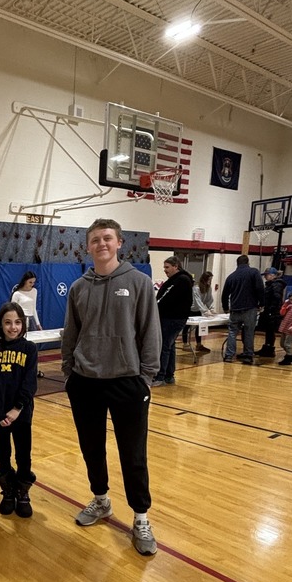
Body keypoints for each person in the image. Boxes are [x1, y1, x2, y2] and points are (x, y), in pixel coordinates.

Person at [61, 218, 161, 558]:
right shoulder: (78, 287)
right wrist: (69, 373)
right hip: (85, 382)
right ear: (87, 247)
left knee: (133, 455)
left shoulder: (138, 282)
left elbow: (150, 331)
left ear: (119, 243)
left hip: (128, 382)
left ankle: (141, 518)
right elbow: (70, 335)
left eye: (107, 238)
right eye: (95, 240)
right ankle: (101, 501)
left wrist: (145, 377)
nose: (101, 244)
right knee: (92, 449)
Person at [0, 302, 38, 518]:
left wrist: (17, 408)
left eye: (17, 322)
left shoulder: (29, 349)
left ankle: (23, 492)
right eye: (7, 322)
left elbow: (29, 383)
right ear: (0, 324)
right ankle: (8, 491)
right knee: (3, 453)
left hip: (22, 414)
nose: (13, 327)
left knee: (23, 454)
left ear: (23, 324)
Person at [152, 256, 193, 386]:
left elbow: (164, 299)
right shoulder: (175, 280)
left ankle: (160, 376)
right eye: (164, 267)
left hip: (172, 319)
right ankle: (169, 375)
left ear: (176, 266)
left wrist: (153, 308)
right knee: (170, 346)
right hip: (171, 318)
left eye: (167, 267)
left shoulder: (180, 280)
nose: (165, 270)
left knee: (164, 346)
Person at [221, 255, 265, 364]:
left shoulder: (231, 276)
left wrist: (226, 308)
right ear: (248, 262)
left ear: (237, 263)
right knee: (249, 332)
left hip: (235, 308)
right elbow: (260, 288)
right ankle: (248, 355)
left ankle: (229, 355)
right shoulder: (254, 272)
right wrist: (262, 303)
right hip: (250, 308)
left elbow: (224, 294)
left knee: (232, 332)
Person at [256, 267, 287, 358]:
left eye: (266, 275)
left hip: (272, 312)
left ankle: (269, 349)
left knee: (270, 331)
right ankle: (267, 347)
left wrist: (271, 310)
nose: (265, 277)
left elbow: (276, 298)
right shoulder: (271, 285)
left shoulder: (276, 285)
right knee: (268, 331)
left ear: (272, 275)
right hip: (269, 310)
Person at [182, 271, 215, 351]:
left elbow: (209, 300)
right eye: (209, 279)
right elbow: (198, 301)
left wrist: (211, 308)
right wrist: (205, 311)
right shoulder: (196, 288)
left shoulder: (208, 288)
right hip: (191, 309)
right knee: (187, 326)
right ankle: (185, 344)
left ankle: (199, 344)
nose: (210, 281)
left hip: (198, 310)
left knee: (199, 327)